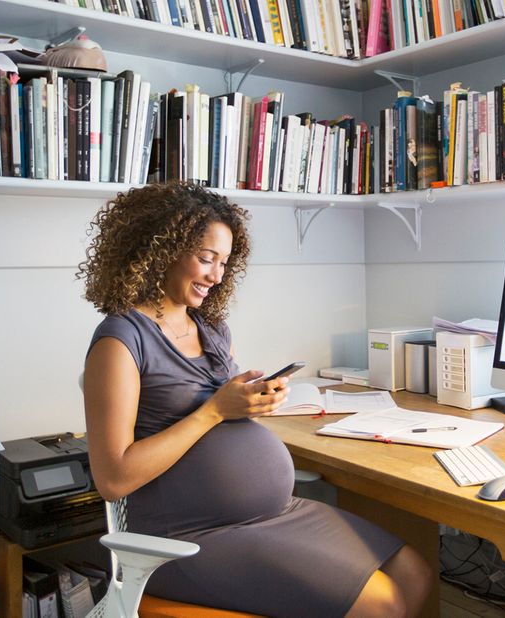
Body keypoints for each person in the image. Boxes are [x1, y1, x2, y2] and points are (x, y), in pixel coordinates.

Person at [78, 183, 433, 617]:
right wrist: (215, 411)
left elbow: (225, 415)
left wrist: (253, 401)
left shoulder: (210, 328)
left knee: (414, 573)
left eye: (224, 262)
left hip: (274, 514)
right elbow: (113, 479)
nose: (216, 275)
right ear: (161, 248)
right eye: (206, 259)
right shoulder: (120, 341)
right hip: (189, 537)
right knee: (381, 605)